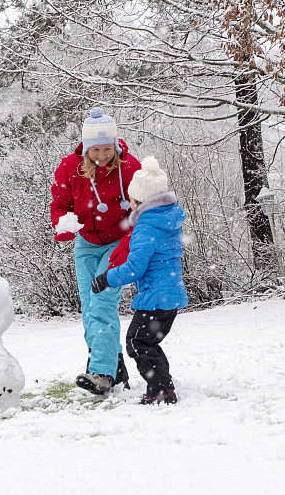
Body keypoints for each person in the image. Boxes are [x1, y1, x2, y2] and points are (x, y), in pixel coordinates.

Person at [50, 108, 141, 395]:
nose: (101, 156)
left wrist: (129, 244)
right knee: (90, 306)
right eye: (95, 150)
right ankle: (113, 364)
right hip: (87, 243)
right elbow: (59, 206)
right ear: (85, 148)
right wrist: (64, 226)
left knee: (101, 301)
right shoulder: (69, 167)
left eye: (107, 149)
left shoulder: (129, 167)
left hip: (119, 240)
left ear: (115, 145)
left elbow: (142, 209)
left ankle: (101, 373)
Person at [90, 156, 188, 404]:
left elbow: (134, 268)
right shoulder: (166, 221)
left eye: (131, 198)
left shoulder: (146, 227)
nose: (128, 202)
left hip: (155, 296)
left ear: (142, 201)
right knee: (146, 343)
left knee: (137, 343)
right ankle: (161, 387)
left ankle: (162, 388)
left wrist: (106, 279)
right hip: (168, 293)